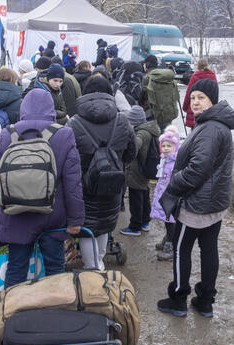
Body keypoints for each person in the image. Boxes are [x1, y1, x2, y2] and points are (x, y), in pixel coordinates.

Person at [156, 79, 234, 318]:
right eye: (192, 98)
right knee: (209, 248)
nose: (195, 102)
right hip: (214, 202)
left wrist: (174, 183)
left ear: (212, 100)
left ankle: (179, 298)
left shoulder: (211, 128)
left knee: (182, 249)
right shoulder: (215, 124)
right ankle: (205, 301)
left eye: (201, 97)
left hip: (196, 205)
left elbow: (197, 169)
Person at [0, 89, 85, 287]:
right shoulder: (64, 134)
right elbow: (73, 183)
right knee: (55, 268)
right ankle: (54, 310)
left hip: (15, 213)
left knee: (16, 268)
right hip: (53, 214)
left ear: (23, 107)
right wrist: (75, 219)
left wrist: (1, 210)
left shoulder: (8, 133)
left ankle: (12, 313)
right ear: (51, 108)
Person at [67, 76, 136, 269]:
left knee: (87, 226)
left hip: (83, 186)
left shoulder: (74, 123)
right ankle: (100, 263)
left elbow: (67, 157)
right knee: (105, 223)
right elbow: (132, 152)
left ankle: (92, 267)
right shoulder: (122, 121)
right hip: (112, 181)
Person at [120, 105, 160, 236]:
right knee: (144, 194)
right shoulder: (150, 129)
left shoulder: (141, 133)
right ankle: (145, 222)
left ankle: (135, 226)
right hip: (146, 169)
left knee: (135, 198)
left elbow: (134, 148)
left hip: (137, 171)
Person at [150, 125, 181, 261]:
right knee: (167, 220)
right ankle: (168, 238)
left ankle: (171, 246)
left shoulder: (174, 163)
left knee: (171, 220)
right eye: (164, 146)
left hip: (170, 197)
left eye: (169, 146)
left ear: (175, 147)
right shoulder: (165, 160)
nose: (166, 148)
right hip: (164, 195)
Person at [142, 54, 180, 131]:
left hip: (153, 116)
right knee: (166, 139)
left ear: (147, 65)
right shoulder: (166, 77)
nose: (143, 66)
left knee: (155, 141)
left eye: (144, 64)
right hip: (167, 115)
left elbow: (143, 98)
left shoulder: (147, 78)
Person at [183, 60, 217, 129]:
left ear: (198, 66)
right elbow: (215, 93)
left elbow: (189, 93)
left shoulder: (195, 76)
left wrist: (185, 107)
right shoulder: (212, 75)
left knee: (194, 133)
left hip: (195, 109)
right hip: (208, 108)